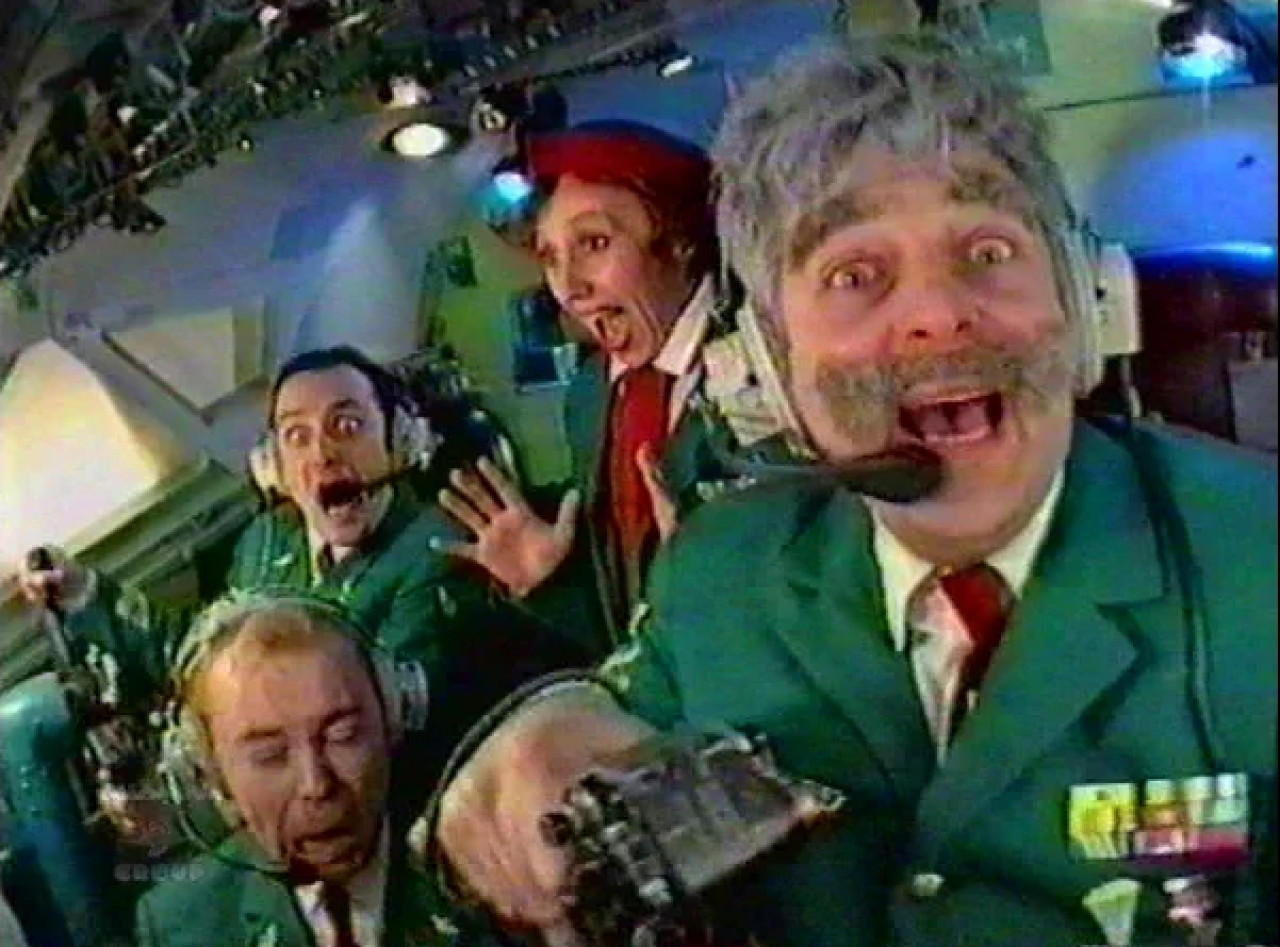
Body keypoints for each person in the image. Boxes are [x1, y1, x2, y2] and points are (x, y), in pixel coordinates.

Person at [428, 34, 1278, 947]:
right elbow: (602, 718)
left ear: (1082, 298)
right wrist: (535, 738)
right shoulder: (721, 568)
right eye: (855, 275)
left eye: (987, 250)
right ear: (767, 366)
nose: (938, 315)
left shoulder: (1257, 556)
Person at [436, 120, 781, 657]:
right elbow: (626, 631)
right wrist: (551, 583)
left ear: (682, 240)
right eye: (551, 258)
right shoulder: (588, 396)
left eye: (594, 243)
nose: (569, 288)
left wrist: (708, 588)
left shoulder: (776, 368)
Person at [134, 590, 497, 947]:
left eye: (343, 735)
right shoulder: (180, 926)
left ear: (392, 715)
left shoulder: (487, 856)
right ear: (211, 775)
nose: (316, 784)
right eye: (270, 755)